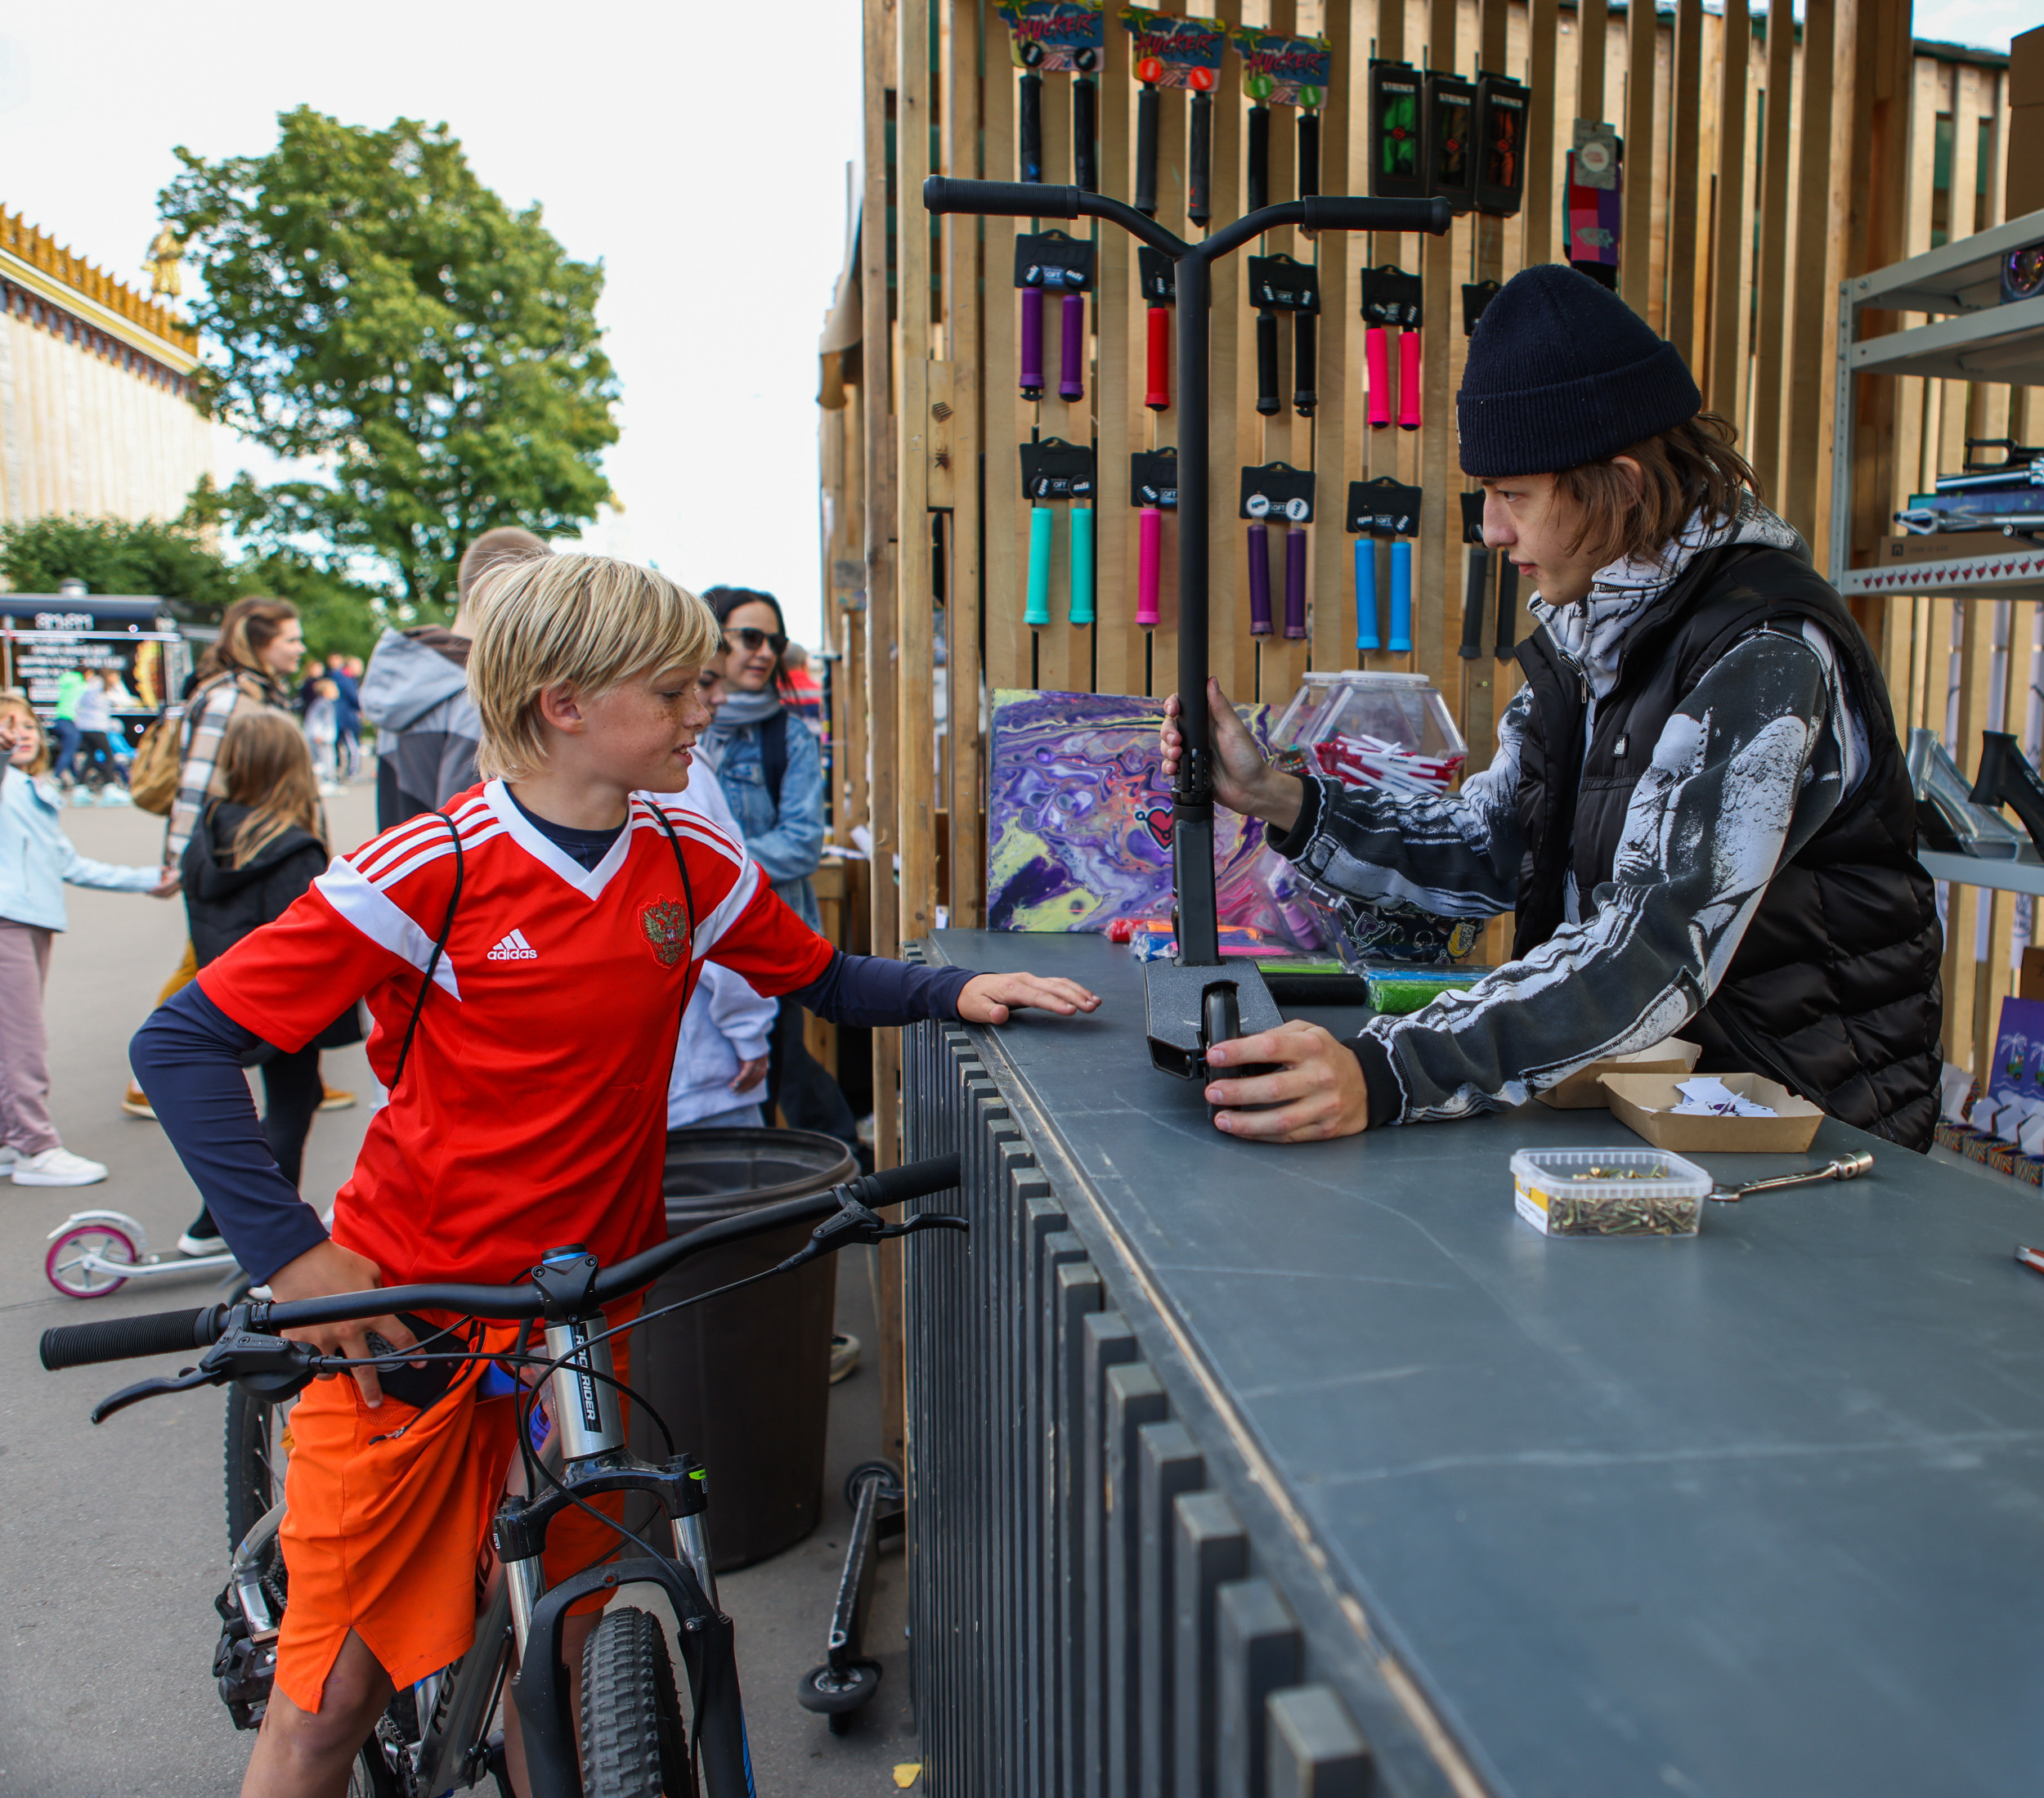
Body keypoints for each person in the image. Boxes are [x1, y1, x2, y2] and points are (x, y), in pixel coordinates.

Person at [130, 553, 1096, 1796]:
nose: (707, 707)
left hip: (586, 1314)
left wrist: (956, 988)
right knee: (327, 1711)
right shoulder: (431, 867)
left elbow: (819, 976)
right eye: (677, 687)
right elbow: (183, 1043)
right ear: (566, 704)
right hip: (410, 1317)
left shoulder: (686, 859)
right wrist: (291, 1253)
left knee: (567, 1644)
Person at [1161, 263, 1942, 1150]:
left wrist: (1387, 1071)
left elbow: (1650, 948)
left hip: (1809, 1138)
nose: (1491, 530)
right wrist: (1278, 798)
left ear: (1622, 484)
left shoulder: (1764, 653)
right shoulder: (1595, 638)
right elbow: (1491, 846)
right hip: (1653, 1117)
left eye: (1514, 496)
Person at [124, 597, 356, 1120]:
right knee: (205, 968)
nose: (300, 649)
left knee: (238, 963)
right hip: (242, 857)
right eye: (291, 639)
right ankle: (151, 1073)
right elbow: (196, 783)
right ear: (258, 643)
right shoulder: (228, 697)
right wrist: (181, 862)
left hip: (262, 850)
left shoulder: (258, 692)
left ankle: (300, 1077)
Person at [172, 711, 363, 1257]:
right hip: (279, 1004)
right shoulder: (292, 848)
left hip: (225, 987)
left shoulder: (207, 834)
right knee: (291, 1107)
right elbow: (308, 944)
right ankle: (265, 1236)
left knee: (278, 1104)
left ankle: (214, 1221)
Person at [702, 585, 859, 1149]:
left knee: (772, 1067)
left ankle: (828, 1161)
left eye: (775, 640)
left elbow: (800, 845)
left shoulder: (788, 734)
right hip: (690, 944)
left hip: (768, 932)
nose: (765, 652)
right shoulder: (680, 730)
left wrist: (702, 862)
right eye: (749, 637)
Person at [0, 692, 177, 1187]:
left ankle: (12, 1139)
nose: (20, 734)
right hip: (9, 920)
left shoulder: (29, 788)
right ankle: (36, 1147)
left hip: (28, 920)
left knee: (11, 1038)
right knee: (22, 1040)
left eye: (28, 726)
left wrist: (148, 879)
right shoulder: (7, 783)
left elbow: (70, 863)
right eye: (7, 726)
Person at [361, 526, 551, 830]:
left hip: (407, 857)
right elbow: (471, 831)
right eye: (539, 598)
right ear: (493, 590)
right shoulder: (480, 692)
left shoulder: (412, 674)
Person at [71, 668, 128, 800]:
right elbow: (124, 700)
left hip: (85, 727)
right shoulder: (102, 687)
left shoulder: (91, 685)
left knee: (90, 757)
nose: (117, 678)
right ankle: (110, 788)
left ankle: (80, 788)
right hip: (97, 727)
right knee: (109, 757)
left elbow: (77, 704)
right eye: (115, 676)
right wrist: (119, 685)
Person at [303, 678, 342, 790]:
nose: (337, 692)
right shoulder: (323, 704)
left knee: (328, 759)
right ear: (326, 692)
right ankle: (326, 782)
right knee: (325, 760)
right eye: (334, 689)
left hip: (325, 737)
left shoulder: (324, 703)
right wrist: (318, 734)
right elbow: (316, 721)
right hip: (322, 738)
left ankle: (329, 781)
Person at [49, 666, 83, 789]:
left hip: (60, 719)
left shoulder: (65, 683)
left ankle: (77, 778)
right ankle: (57, 776)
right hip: (71, 720)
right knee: (69, 751)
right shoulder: (81, 685)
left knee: (70, 751)